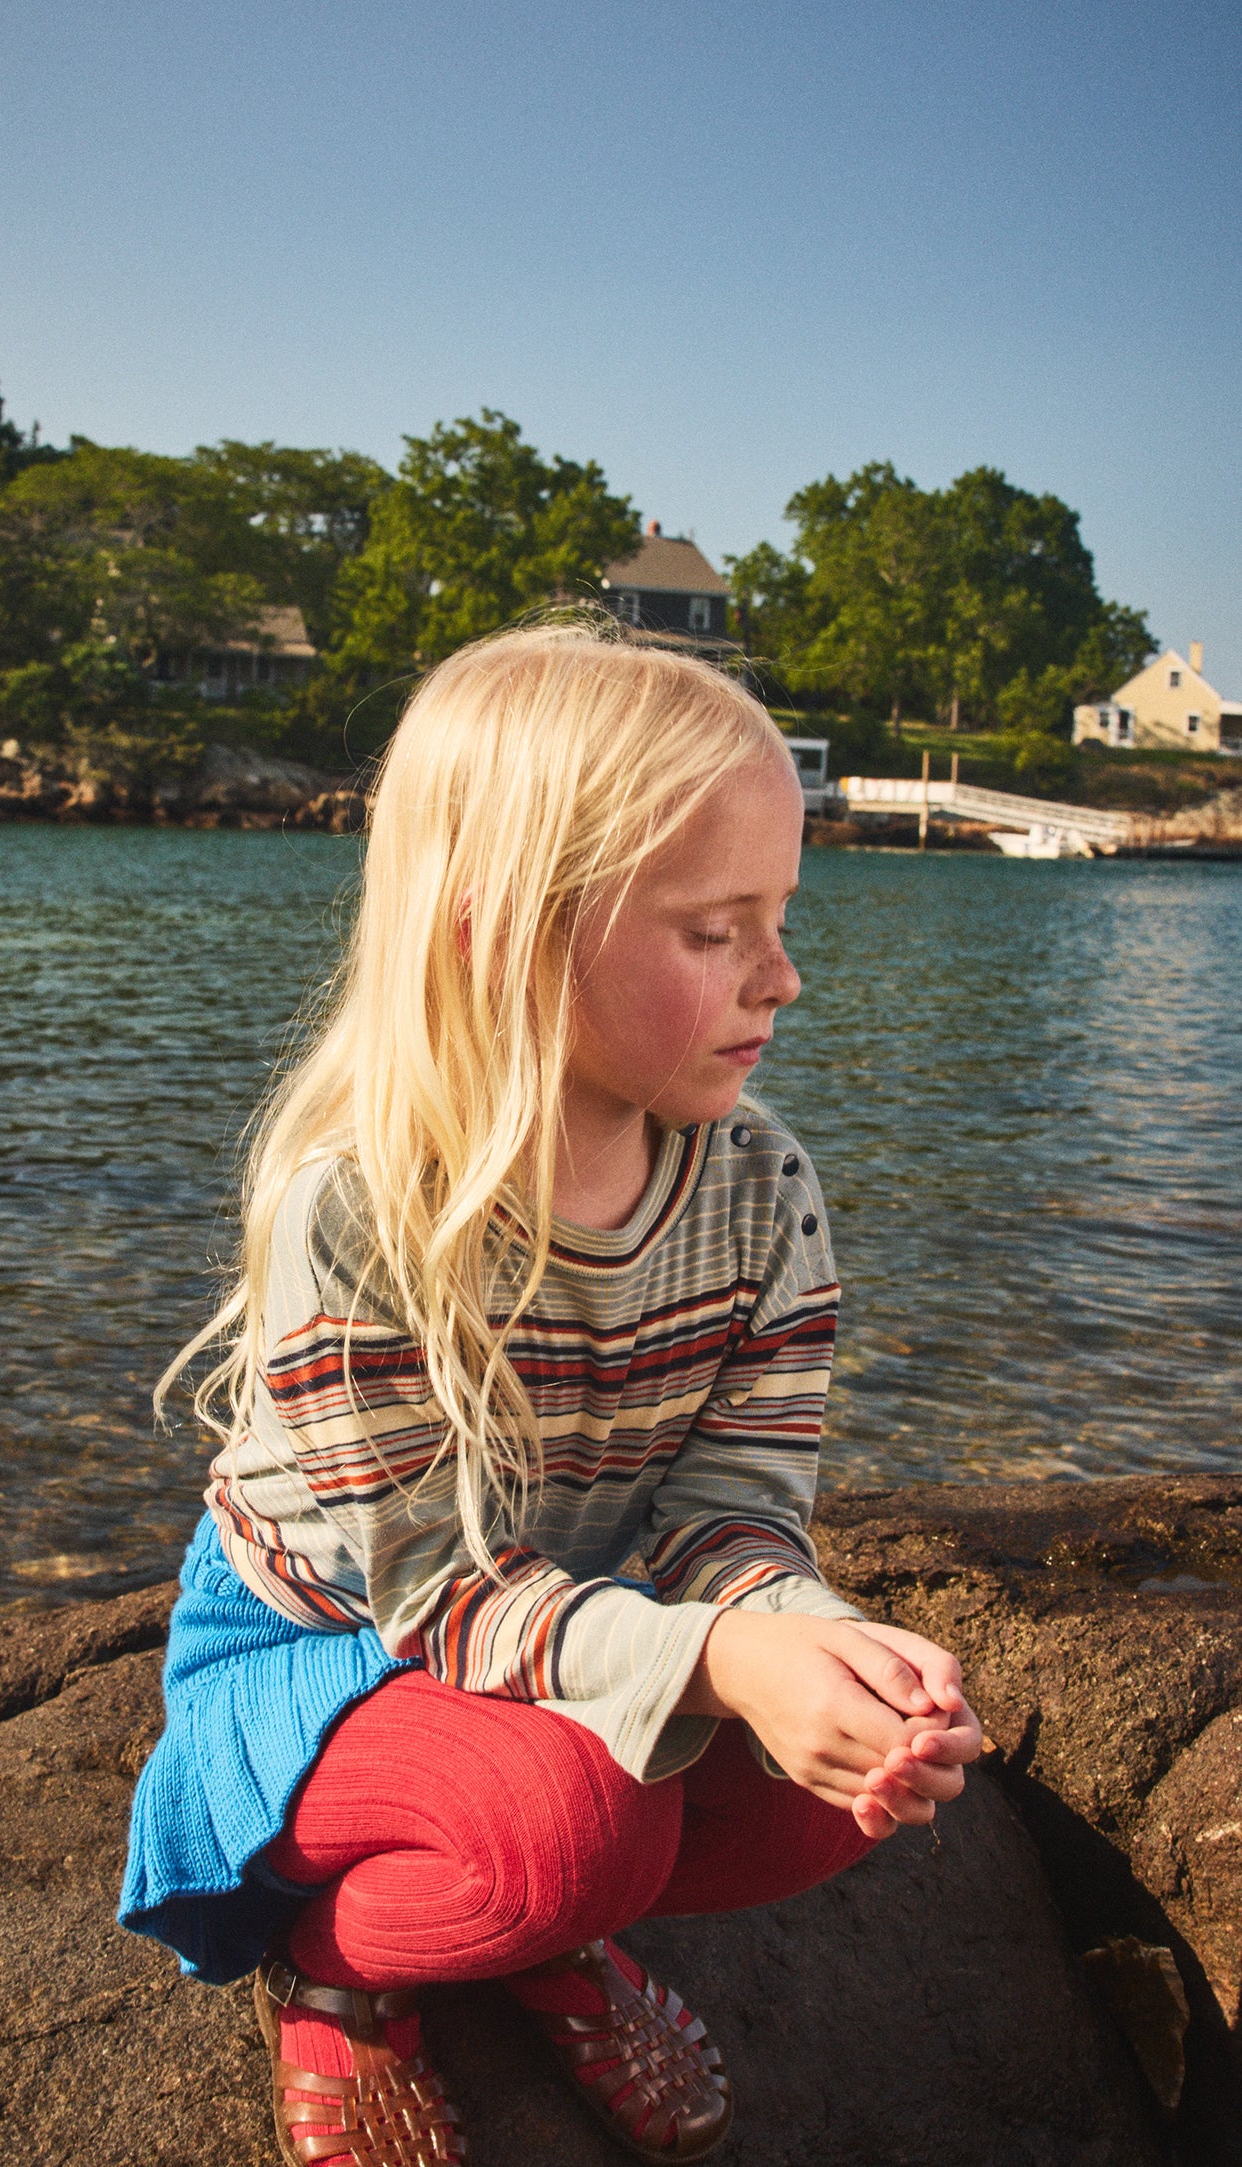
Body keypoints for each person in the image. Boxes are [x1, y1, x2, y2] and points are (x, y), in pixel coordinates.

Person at [120, 622, 982, 2166]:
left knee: (828, 1787)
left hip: (583, 1597)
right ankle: (343, 1971)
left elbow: (732, 1511)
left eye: (778, 917)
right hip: (334, 1643)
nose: (780, 979)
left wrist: (805, 1640)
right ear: (500, 934)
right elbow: (438, 1601)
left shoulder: (758, 1183)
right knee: (572, 1834)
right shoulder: (359, 1212)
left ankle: (526, 1931)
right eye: (714, 931)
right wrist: (715, 1662)